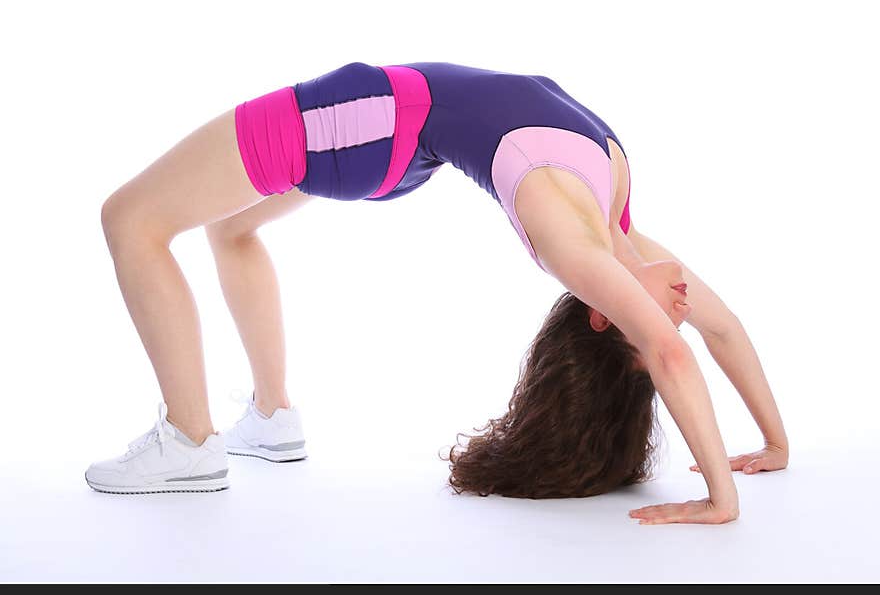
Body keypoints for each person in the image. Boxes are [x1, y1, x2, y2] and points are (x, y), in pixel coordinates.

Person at [86, 61, 788, 524]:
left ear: (606, 316)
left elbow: (671, 354)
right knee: (232, 228)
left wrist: (719, 501)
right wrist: (773, 441)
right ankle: (271, 419)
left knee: (132, 219)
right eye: (678, 313)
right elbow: (718, 329)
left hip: (376, 117)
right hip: (398, 134)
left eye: (659, 321)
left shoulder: (575, 249)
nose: (683, 308)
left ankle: (189, 440)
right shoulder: (619, 229)